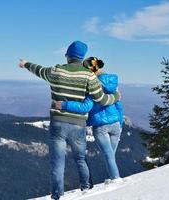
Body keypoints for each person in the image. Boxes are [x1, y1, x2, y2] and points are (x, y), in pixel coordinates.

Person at [18, 41, 120, 200]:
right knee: (80, 159)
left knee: (57, 163)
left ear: (67, 55)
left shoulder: (56, 71)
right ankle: (86, 188)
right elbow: (100, 99)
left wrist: (25, 64)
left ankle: (57, 195)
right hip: (78, 125)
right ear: (82, 57)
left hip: (58, 123)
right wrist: (116, 96)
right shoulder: (89, 75)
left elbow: (39, 70)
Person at [55, 57, 123, 182]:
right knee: (110, 156)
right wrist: (121, 123)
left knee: (108, 156)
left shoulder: (92, 86)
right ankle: (112, 180)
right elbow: (118, 104)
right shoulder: (113, 84)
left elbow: (84, 107)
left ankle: (116, 180)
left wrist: (64, 105)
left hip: (101, 126)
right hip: (116, 125)